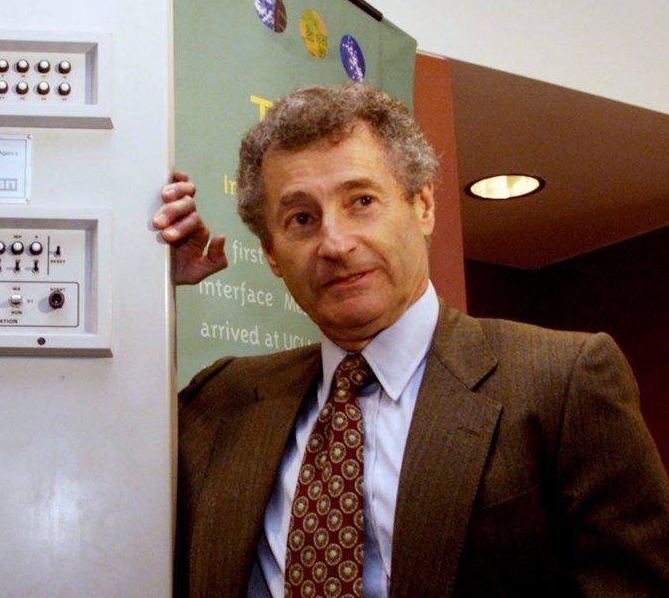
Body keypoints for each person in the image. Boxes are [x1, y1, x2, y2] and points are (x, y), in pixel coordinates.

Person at [152, 83, 669, 597]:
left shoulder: (563, 381)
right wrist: (148, 278)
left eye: (361, 201)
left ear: (422, 206)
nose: (335, 243)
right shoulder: (221, 400)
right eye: (302, 218)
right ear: (270, 253)